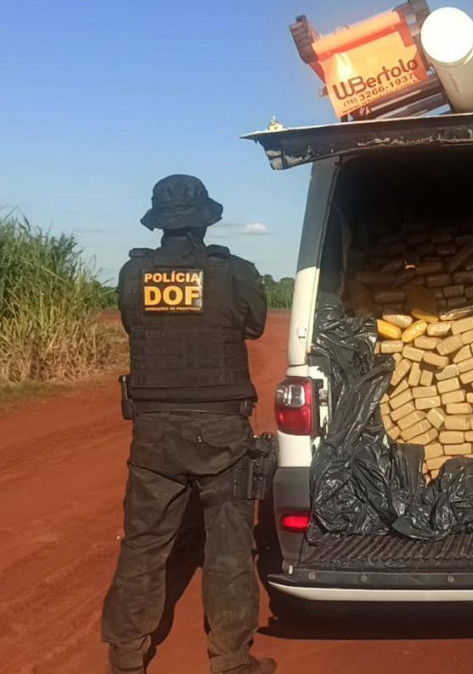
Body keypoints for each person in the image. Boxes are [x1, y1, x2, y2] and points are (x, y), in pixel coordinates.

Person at [101, 175, 275, 674]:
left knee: (144, 543)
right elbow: (255, 325)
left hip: (154, 429)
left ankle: (127, 655)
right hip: (220, 429)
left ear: (159, 222)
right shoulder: (233, 271)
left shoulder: (133, 273)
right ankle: (231, 659)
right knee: (228, 546)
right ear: (204, 221)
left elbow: (136, 325)